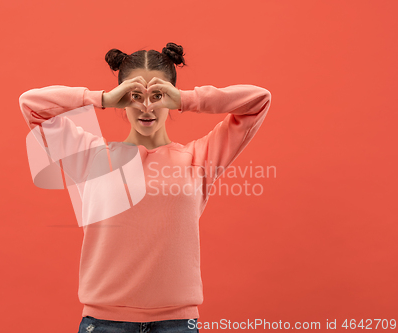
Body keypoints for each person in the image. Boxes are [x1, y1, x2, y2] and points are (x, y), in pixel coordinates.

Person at [18, 42, 272, 333]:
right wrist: (101, 98)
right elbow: (31, 105)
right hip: (104, 323)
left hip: (176, 324)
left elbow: (258, 101)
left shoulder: (199, 158)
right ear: (121, 98)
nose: (147, 106)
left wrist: (188, 99)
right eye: (134, 95)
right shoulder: (90, 157)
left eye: (158, 95)